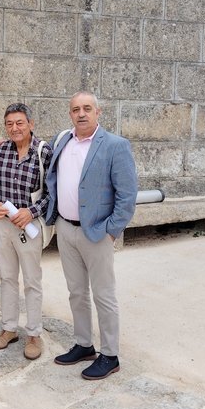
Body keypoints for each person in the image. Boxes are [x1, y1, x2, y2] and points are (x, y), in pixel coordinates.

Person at [46, 91, 137, 380]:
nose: (81, 113)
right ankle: (84, 344)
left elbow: (127, 196)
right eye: (75, 109)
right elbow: (38, 153)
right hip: (66, 228)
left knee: (103, 295)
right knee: (76, 292)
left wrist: (111, 232)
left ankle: (110, 355)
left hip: (97, 233)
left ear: (98, 112)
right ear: (70, 114)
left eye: (87, 108)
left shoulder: (115, 145)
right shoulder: (63, 140)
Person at [0, 103, 52, 359]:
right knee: (7, 278)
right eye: (10, 124)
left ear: (31, 124)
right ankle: (9, 328)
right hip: (2, 224)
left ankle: (34, 334)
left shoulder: (44, 152)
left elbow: (52, 194)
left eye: (20, 123)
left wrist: (31, 212)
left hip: (28, 225)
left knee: (32, 280)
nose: (15, 128)